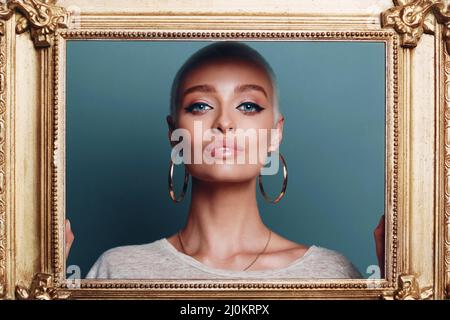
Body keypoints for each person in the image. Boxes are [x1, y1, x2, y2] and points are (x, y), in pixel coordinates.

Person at [68, 42, 384, 279]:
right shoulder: (118, 269)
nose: (224, 123)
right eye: (200, 106)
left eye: (247, 106)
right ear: (173, 132)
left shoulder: (330, 272)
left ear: (275, 134)